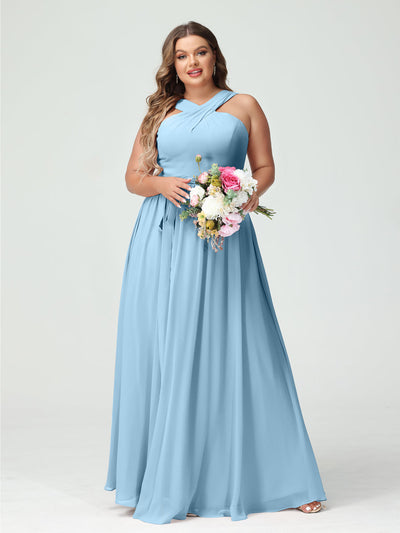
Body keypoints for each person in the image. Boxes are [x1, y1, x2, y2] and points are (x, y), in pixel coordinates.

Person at [104, 20, 327, 524]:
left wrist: (240, 199)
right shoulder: (159, 112)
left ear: (214, 57)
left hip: (224, 237)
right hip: (163, 238)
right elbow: (133, 177)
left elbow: (264, 168)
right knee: (168, 348)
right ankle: (164, 479)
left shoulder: (244, 105)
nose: (192, 62)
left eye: (200, 52)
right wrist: (162, 185)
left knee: (246, 346)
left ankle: (286, 480)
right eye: (182, 55)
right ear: (172, 64)